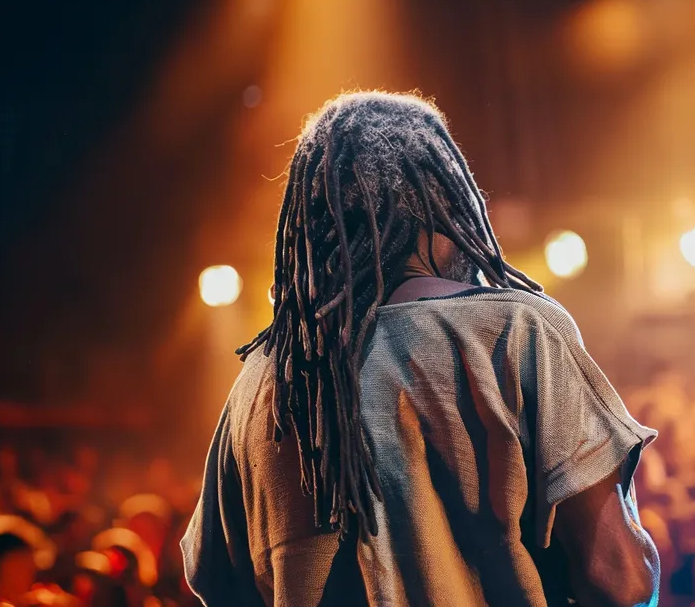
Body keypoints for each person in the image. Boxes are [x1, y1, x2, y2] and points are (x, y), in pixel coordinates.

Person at [181, 91, 660, 606]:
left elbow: (214, 582)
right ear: (445, 205)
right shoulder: (516, 331)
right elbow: (621, 580)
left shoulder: (261, 380)